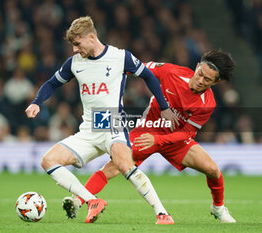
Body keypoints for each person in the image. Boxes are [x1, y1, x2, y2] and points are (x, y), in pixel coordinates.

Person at [25, 16, 179, 224]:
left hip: (112, 122)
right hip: (88, 129)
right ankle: (91, 201)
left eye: (77, 44)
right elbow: (52, 84)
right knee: (48, 161)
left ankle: (162, 213)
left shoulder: (120, 57)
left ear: (90, 37)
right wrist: (36, 102)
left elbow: (149, 76)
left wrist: (164, 107)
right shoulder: (74, 63)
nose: (74, 50)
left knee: (125, 165)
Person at [64, 49, 237, 223]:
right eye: (200, 74)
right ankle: (78, 200)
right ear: (197, 66)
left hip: (176, 140)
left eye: (207, 79)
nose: (200, 80)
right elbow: (138, 68)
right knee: (115, 165)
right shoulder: (171, 72)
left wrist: (159, 140)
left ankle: (218, 208)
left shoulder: (207, 104)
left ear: (216, 81)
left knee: (213, 170)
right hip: (148, 130)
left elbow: (187, 133)